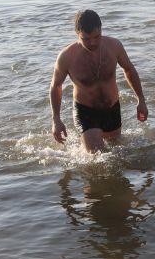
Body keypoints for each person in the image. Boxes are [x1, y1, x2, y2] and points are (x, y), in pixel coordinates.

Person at [50, 10, 149, 153]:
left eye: (97, 37)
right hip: (86, 111)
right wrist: (56, 119)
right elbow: (56, 86)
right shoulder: (67, 57)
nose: (93, 42)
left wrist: (141, 100)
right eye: (86, 39)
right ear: (77, 34)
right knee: (98, 155)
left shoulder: (114, 46)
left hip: (112, 108)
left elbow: (129, 70)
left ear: (101, 29)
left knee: (116, 155)